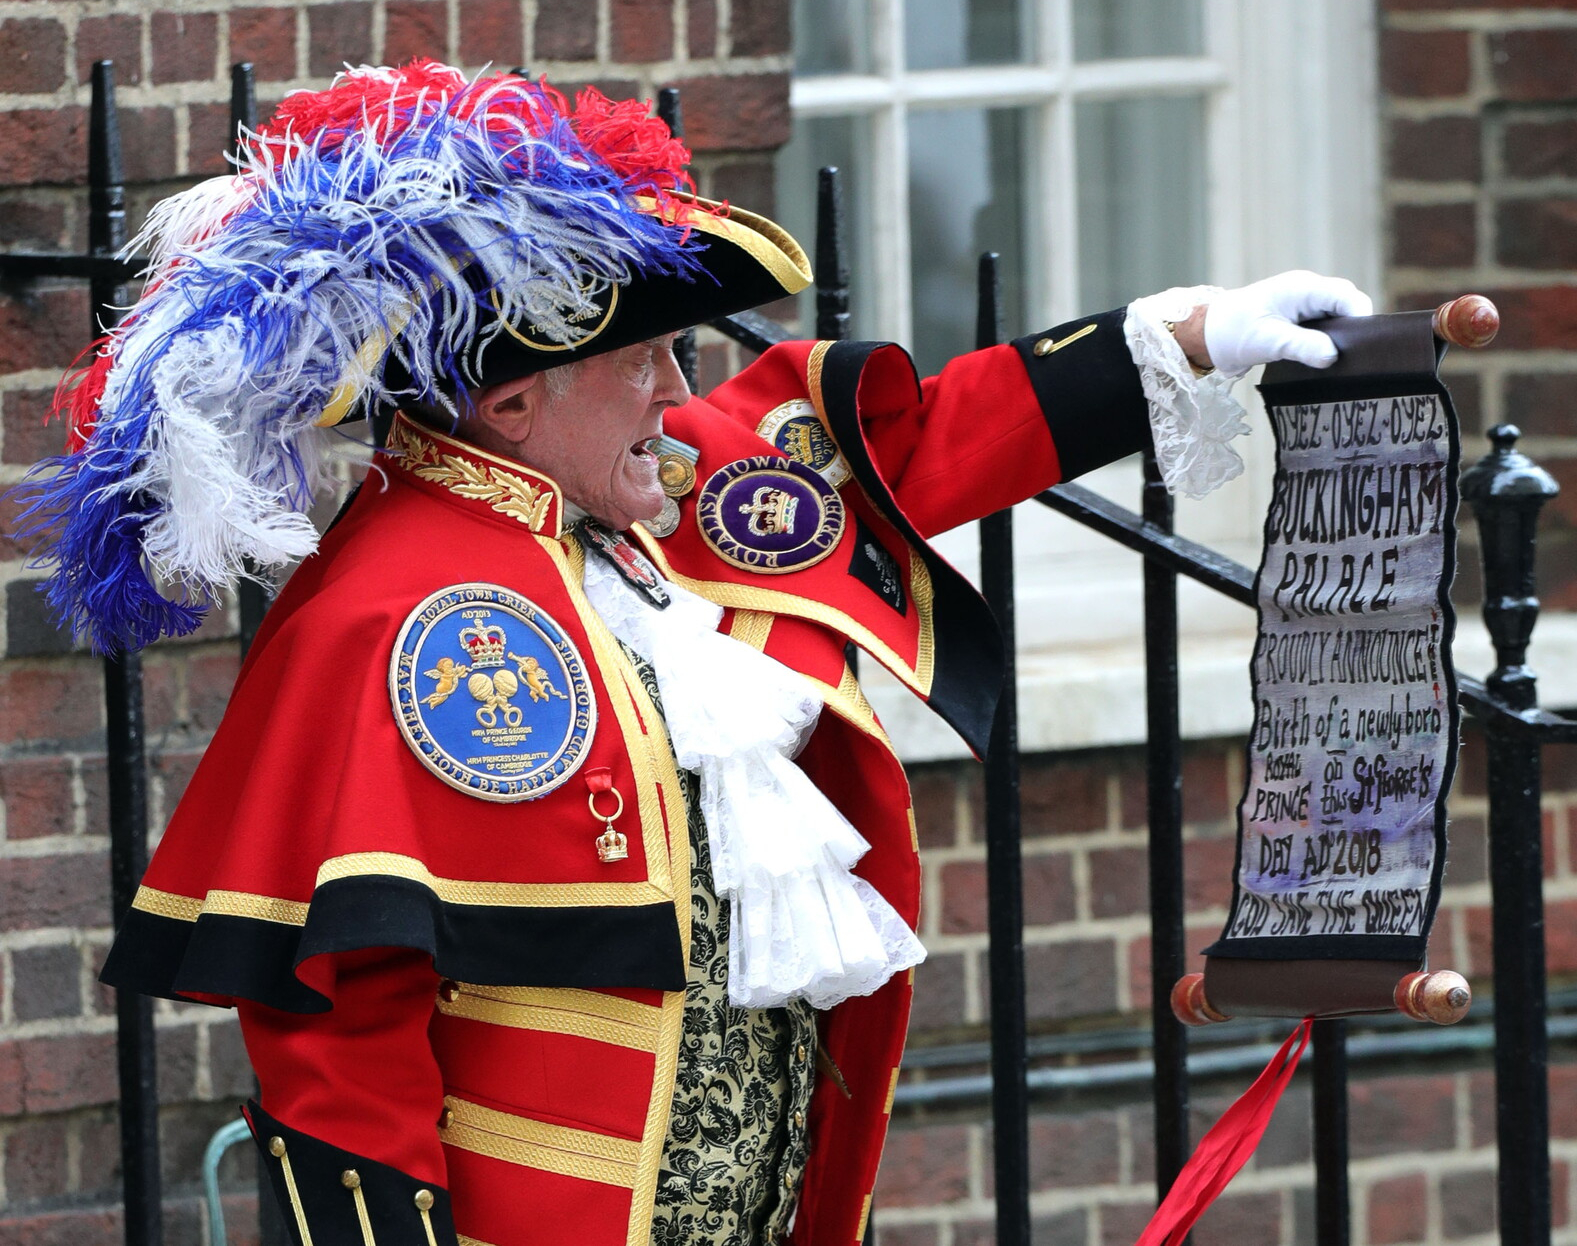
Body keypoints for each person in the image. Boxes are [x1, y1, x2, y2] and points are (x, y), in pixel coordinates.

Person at [19, 62, 1370, 1246]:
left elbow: (899, 448)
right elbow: (335, 1043)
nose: (680, 396)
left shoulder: (636, 491)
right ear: (510, 397)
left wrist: (1184, 340)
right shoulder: (388, 608)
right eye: (648, 360)